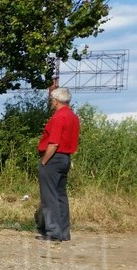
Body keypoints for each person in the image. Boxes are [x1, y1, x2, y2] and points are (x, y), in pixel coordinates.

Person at [36, 87, 79, 242]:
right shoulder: (73, 116)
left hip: (53, 158)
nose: (51, 102)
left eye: (52, 100)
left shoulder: (58, 117)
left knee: (49, 196)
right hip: (65, 158)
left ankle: (53, 232)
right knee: (61, 195)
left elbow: (54, 143)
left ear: (56, 101)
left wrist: (44, 161)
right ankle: (64, 232)